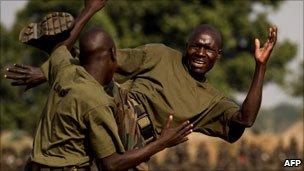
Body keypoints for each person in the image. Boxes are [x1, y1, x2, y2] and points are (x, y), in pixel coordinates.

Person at [5, 1, 277, 145]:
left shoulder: (212, 101)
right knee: (99, 42)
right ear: (186, 47)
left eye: (208, 50)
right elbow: (104, 57)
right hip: (115, 102)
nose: (200, 53)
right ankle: (86, 13)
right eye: (195, 46)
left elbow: (246, 118)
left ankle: (52, 54)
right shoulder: (159, 54)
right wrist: (46, 74)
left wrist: (260, 67)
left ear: (218, 56)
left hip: (136, 135)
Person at [8, 1, 193, 171]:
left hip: (33, 165)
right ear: (113, 53)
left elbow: (62, 48)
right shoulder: (98, 102)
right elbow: (111, 164)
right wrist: (161, 142)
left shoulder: (65, 72)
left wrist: (89, 10)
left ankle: (46, 45)